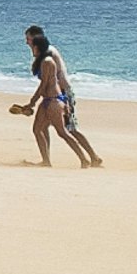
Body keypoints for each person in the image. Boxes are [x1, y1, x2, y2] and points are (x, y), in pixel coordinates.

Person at [21, 23, 102, 168]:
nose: (26, 42)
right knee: (42, 128)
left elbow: (49, 81)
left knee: (68, 130)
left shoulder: (48, 54)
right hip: (53, 96)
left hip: (61, 94)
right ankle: (46, 160)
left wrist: (60, 101)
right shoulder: (42, 55)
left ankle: (92, 157)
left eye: (28, 39)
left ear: (35, 39)